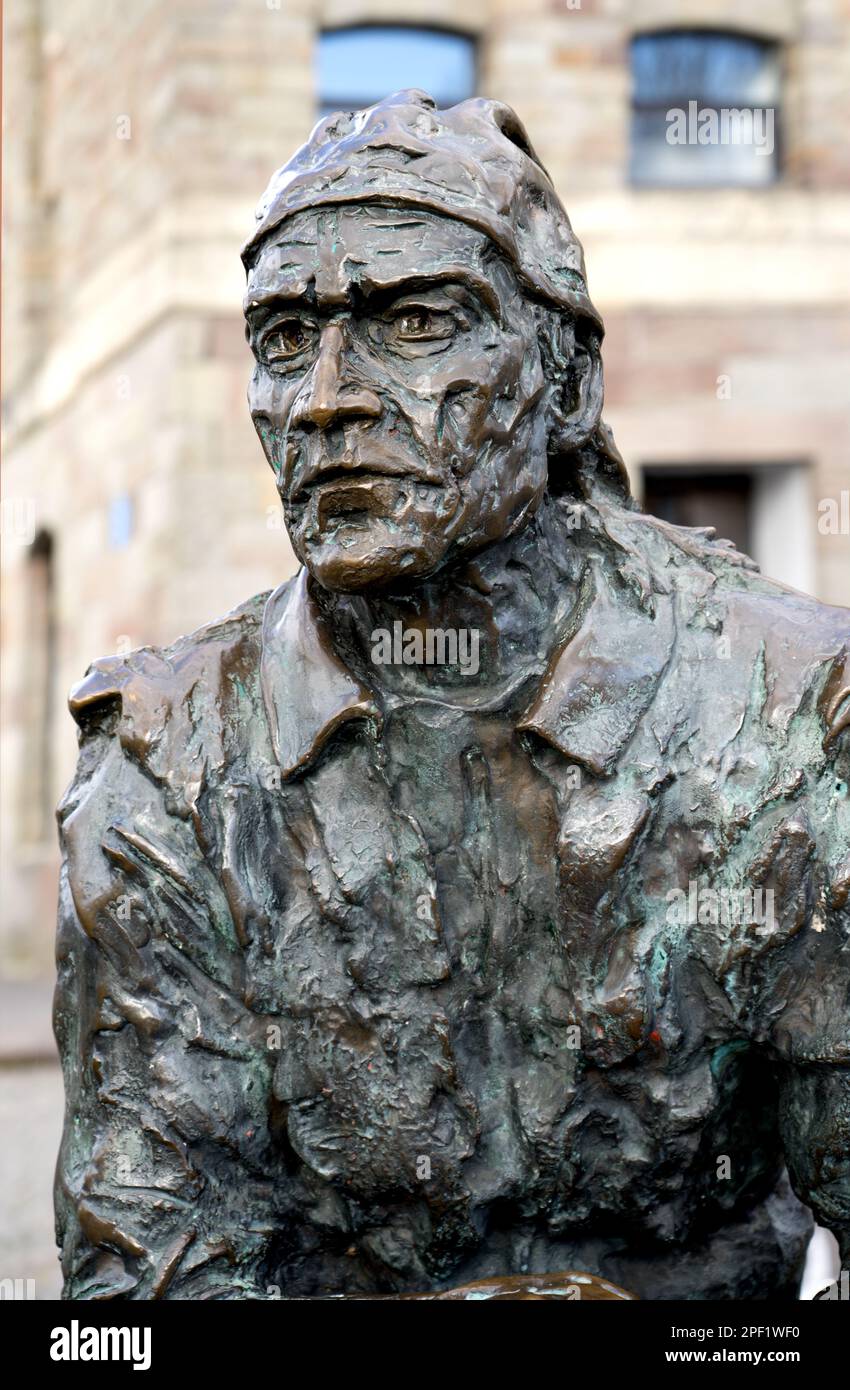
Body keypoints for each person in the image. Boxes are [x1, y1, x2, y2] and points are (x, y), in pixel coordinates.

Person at [54, 91, 849, 1300]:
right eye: (283, 340)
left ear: (565, 379)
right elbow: (131, 1303)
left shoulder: (792, 715)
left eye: (413, 321)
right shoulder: (169, 764)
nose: (325, 397)